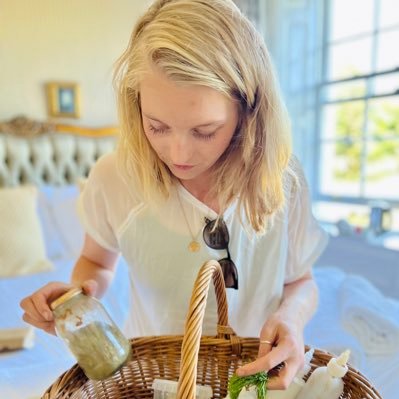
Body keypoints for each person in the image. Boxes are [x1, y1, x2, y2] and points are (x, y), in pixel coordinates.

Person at [20, 0, 328, 391]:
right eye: (158, 127)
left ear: (247, 111)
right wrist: (78, 302)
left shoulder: (284, 179)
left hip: (254, 381)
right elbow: (95, 261)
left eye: (205, 131)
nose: (178, 156)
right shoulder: (114, 178)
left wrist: (293, 319)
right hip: (152, 379)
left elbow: (301, 281)